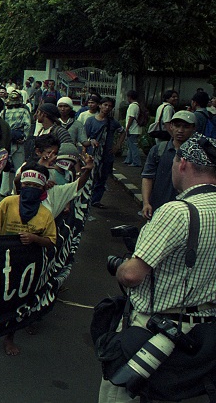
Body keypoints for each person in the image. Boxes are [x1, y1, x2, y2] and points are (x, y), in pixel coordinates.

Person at [98, 133, 216, 403]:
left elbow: (131, 275)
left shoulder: (176, 211)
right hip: (203, 337)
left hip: (155, 331)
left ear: (183, 163)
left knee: (118, 392)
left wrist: (120, 267)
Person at [0, 161, 57, 356]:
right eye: (27, 185)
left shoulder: (45, 214)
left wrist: (35, 239)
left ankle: (9, 338)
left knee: (17, 303)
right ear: (20, 185)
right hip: (3, 262)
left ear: (42, 189)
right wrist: (0, 246)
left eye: (36, 187)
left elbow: (51, 241)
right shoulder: (8, 203)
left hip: (27, 266)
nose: (30, 190)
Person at [141, 110, 197, 220]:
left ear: (193, 128)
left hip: (187, 211)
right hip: (159, 208)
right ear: (171, 126)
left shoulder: (198, 154)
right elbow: (147, 177)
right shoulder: (158, 150)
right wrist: (146, 203)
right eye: (177, 125)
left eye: (186, 126)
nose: (180, 130)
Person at [85, 97, 123, 209]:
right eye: (105, 105)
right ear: (100, 105)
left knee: (102, 177)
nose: (107, 108)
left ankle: (96, 200)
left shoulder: (112, 122)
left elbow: (123, 132)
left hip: (107, 155)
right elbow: (84, 137)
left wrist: (117, 146)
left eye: (110, 106)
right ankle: (86, 198)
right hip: (92, 154)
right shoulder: (90, 121)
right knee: (90, 177)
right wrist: (90, 141)